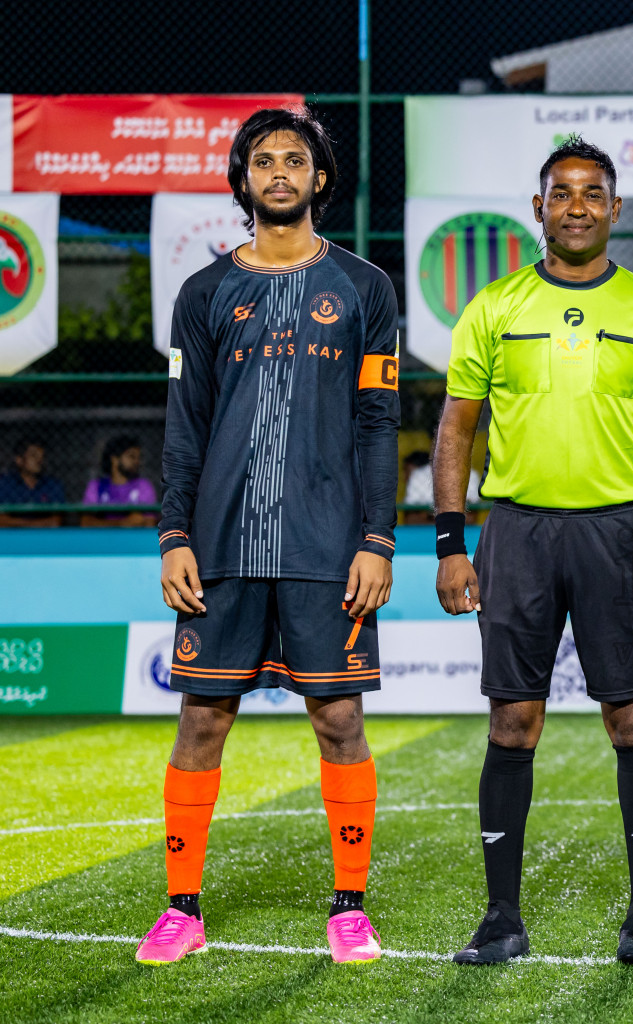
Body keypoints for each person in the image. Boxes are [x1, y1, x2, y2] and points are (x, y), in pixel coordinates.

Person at [137, 106, 400, 966]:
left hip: (329, 545)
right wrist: (174, 533)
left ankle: (349, 907)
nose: (279, 173)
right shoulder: (205, 293)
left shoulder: (366, 288)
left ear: (320, 179)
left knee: (339, 718)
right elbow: (185, 425)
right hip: (220, 544)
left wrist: (379, 539)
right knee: (202, 720)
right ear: (242, 180)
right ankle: (182, 909)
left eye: (295, 160)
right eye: (263, 161)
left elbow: (376, 422)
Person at [434, 136, 633, 966]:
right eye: (562, 192)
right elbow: (455, 430)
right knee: (513, 722)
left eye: (593, 193)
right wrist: (450, 541)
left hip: (618, 532)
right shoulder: (495, 306)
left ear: (616, 209)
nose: (577, 205)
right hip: (515, 531)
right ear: (539, 206)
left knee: (632, 718)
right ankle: (501, 918)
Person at [82, 434, 158, 526]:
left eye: (138, 457)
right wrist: (122, 523)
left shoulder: (143, 486)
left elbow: (149, 522)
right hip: (103, 539)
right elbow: (86, 522)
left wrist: (102, 523)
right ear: (114, 459)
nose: (137, 462)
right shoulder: (96, 486)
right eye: (131, 456)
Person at [401, 449, 479, 525]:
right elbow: (410, 519)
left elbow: (470, 519)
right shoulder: (418, 475)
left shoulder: (470, 475)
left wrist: (429, 516)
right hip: (424, 535)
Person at [0, 439, 65, 527]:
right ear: (19, 460)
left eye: (42, 456)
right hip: (13, 536)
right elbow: (2, 521)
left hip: (44, 536)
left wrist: (18, 523)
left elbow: (57, 521)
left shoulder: (52, 484)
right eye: (33, 456)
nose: (39, 460)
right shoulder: (5, 483)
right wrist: (34, 524)